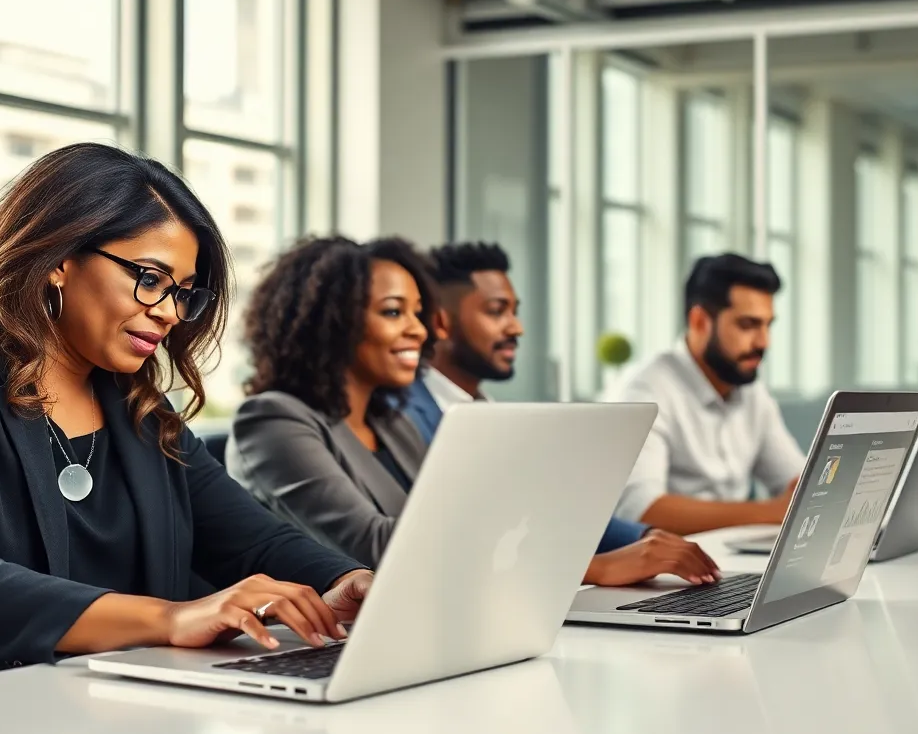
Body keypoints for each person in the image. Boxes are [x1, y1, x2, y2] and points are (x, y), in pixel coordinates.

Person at [0, 143, 371, 696]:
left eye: (183, 294)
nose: (168, 312)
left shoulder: (138, 408)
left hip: (103, 710)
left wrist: (344, 580)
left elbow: (254, 542)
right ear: (60, 258)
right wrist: (171, 619)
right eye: (151, 278)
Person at [227, 236, 718, 588]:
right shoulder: (273, 422)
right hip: (316, 644)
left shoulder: (390, 419)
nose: (419, 331)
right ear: (331, 322)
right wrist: (589, 567)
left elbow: (459, 521)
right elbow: (379, 548)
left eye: (419, 314)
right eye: (395, 312)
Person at [402, 241, 711, 577]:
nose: (516, 327)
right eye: (496, 311)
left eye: (514, 311)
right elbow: (457, 540)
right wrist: (595, 568)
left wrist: (648, 538)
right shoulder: (401, 415)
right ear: (441, 323)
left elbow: (552, 512)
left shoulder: (490, 413)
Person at [603, 254, 804, 536]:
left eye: (768, 325)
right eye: (747, 325)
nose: (763, 342)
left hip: (733, 559)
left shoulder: (750, 392)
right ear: (699, 321)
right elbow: (640, 509)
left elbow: (798, 485)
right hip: (669, 570)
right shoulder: (645, 389)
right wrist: (773, 512)